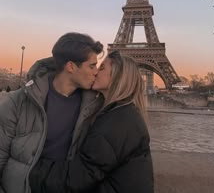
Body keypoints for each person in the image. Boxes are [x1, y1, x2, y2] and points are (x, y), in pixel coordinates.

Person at [29, 51, 154, 193]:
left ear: (117, 77)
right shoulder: (124, 113)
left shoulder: (117, 121)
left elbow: (79, 176)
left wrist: (29, 169)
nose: (95, 72)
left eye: (102, 68)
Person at [0, 32, 104, 193]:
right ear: (71, 66)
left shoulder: (97, 106)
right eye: (92, 65)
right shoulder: (18, 102)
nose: (97, 71)